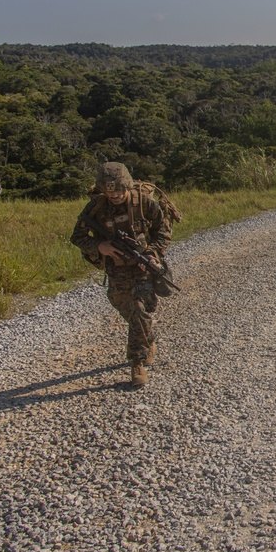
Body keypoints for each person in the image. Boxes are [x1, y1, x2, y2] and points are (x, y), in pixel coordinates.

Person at [70, 162, 175, 388]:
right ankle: (147, 333)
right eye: (109, 191)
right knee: (119, 301)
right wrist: (99, 246)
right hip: (116, 267)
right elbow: (77, 236)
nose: (114, 195)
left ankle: (137, 362)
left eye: (118, 190)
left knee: (139, 308)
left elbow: (163, 231)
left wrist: (153, 254)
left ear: (126, 186)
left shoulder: (144, 203)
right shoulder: (96, 207)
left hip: (142, 266)